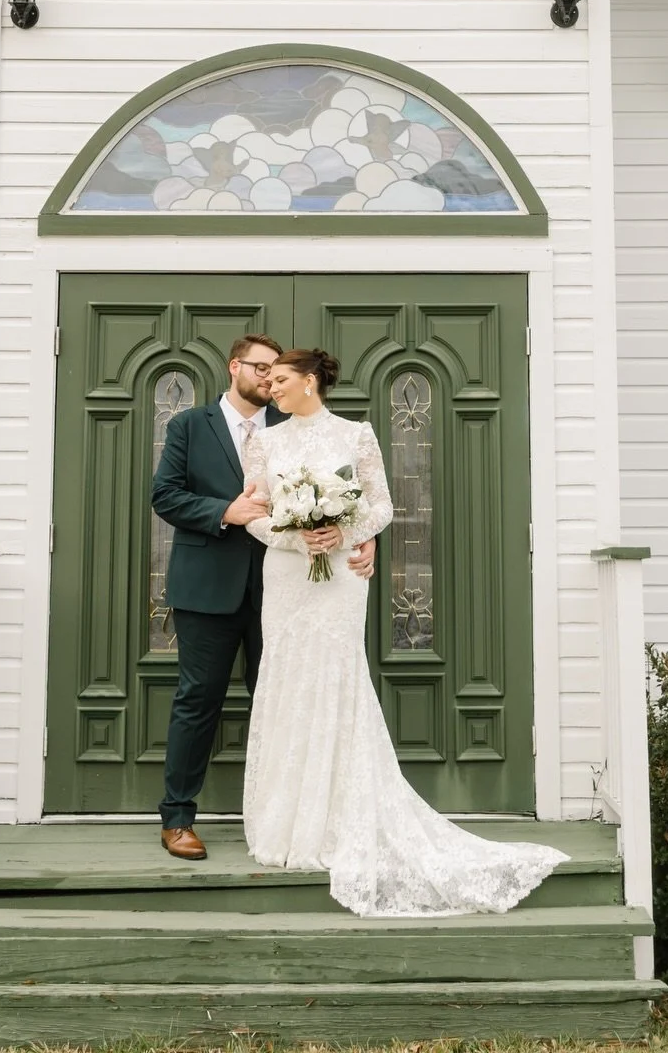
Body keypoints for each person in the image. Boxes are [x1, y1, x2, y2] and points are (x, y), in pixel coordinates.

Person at [241, 347, 568, 917]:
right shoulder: (263, 442)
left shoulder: (357, 435)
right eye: (269, 380)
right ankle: (286, 822)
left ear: (311, 383)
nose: (272, 387)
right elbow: (254, 511)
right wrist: (297, 537)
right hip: (289, 575)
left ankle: (337, 818)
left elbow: (382, 506)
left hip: (342, 576)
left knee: (337, 675)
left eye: (283, 380)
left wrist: (341, 534)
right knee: (289, 677)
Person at [150, 334, 376, 860]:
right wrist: (224, 513)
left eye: (278, 373)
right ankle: (177, 817)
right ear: (236, 368)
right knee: (198, 700)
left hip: (291, 588)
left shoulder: (293, 427)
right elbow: (165, 495)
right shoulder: (189, 425)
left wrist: (361, 541)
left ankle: (287, 817)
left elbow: (349, 497)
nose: (270, 380)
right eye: (261, 370)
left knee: (282, 699)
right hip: (208, 586)